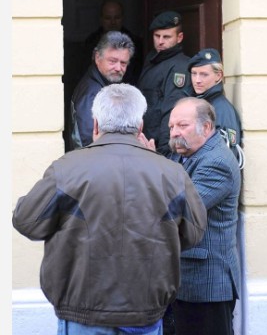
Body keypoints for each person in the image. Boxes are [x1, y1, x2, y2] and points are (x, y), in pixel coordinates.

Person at [12, 84, 207, 335]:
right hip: (144, 310)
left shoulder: (67, 168)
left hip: (83, 312)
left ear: (95, 125)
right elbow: (194, 233)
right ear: (139, 127)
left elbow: (27, 221)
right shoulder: (172, 173)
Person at [168, 97, 241, 335]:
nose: (175, 133)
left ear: (206, 127)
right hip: (188, 282)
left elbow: (179, 207)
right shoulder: (187, 153)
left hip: (207, 284)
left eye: (182, 125)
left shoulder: (216, 162)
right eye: (171, 127)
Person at [69, 30, 135, 150]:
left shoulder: (103, 86)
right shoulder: (92, 95)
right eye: (112, 61)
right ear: (97, 57)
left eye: (123, 63)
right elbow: (88, 143)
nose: (118, 68)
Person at [137, 10, 191, 156]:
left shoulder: (180, 67)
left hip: (159, 148)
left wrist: (163, 153)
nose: (160, 41)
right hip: (144, 142)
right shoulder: (152, 59)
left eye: (166, 37)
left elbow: (172, 111)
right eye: (157, 36)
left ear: (179, 37)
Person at [185, 48, 245, 168]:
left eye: (204, 74)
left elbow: (225, 159)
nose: (197, 80)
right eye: (194, 73)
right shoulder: (199, 104)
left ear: (218, 76)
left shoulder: (222, 110)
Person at [84, 0, 144, 85]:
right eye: (108, 18)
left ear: (123, 18)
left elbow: (137, 73)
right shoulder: (91, 42)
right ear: (101, 19)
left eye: (117, 17)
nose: (113, 22)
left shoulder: (135, 42)